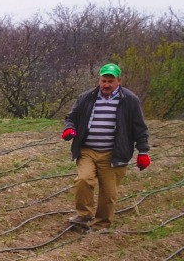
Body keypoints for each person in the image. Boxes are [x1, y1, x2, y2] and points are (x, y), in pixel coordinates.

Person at [61, 63, 151, 231]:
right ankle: (84, 214)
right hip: (87, 150)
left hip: (114, 154)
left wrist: (143, 151)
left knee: (108, 193)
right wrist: (69, 128)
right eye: (104, 81)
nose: (107, 85)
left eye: (111, 81)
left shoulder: (129, 100)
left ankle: (101, 224)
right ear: (99, 80)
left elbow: (139, 128)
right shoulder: (87, 97)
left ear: (119, 81)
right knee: (83, 180)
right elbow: (71, 117)